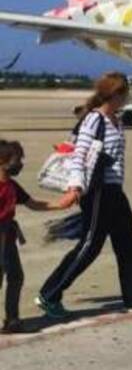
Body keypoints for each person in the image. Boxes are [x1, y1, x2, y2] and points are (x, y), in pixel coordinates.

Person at [37, 73, 132, 318]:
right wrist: (75, 186)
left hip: (114, 191)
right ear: (116, 94)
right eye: (125, 94)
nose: (127, 98)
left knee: (128, 244)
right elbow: (79, 153)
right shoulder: (94, 120)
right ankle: (49, 294)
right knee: (89, 246)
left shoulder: (115, 120)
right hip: (97, 191)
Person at [0, 141, 77, 333]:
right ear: (2, 161)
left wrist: (61, 204)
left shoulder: (11, 185)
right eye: (16, 160)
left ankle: (13, 320)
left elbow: (33, 204)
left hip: (7, 237)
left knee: (16, 277)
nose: (20, 164)